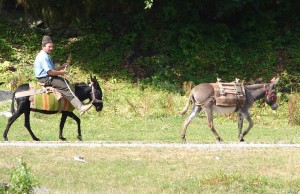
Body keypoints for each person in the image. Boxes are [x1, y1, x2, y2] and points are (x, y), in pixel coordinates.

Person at [34, 35, 92, 115]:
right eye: (49, 47)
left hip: (48, 77)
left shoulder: (45, 55)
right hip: (46, 78)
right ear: (43, 46)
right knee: (65, 86)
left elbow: (53, 70)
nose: (51, 48)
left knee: (66, 82)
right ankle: (80, 107)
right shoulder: (43, 57)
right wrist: (62, 73)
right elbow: (50, 72)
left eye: (52, 47)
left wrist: (62, 67)